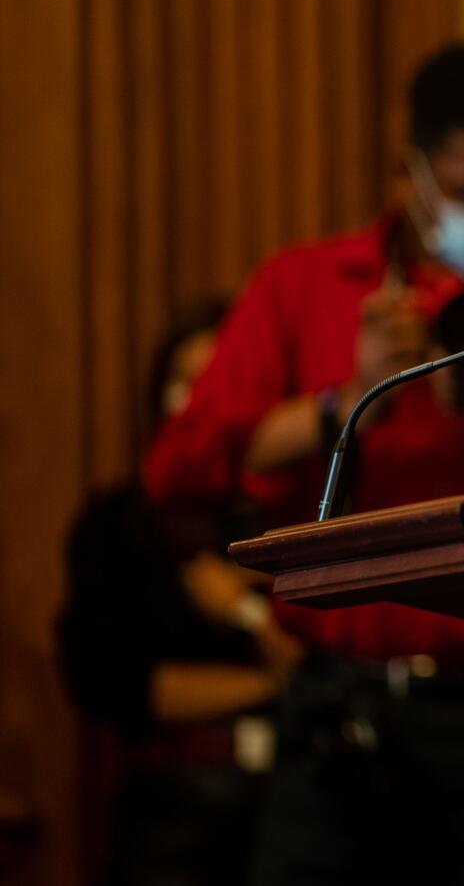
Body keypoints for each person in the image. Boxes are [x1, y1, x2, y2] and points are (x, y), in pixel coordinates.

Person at [142, 42, 464, 886]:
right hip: (340, 714)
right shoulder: (307, 285)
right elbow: (179, 469)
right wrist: (342, 399)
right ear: (411, 176)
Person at [59, 299, 302, 886]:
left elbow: (326, 661)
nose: (194, 400)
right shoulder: (120, 524)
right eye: (181, 381)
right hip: (174, 811)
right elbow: (118, 682)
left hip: (298, 800)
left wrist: (244, 613)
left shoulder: (292, 519)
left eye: (214, 381)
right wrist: (276, 683)